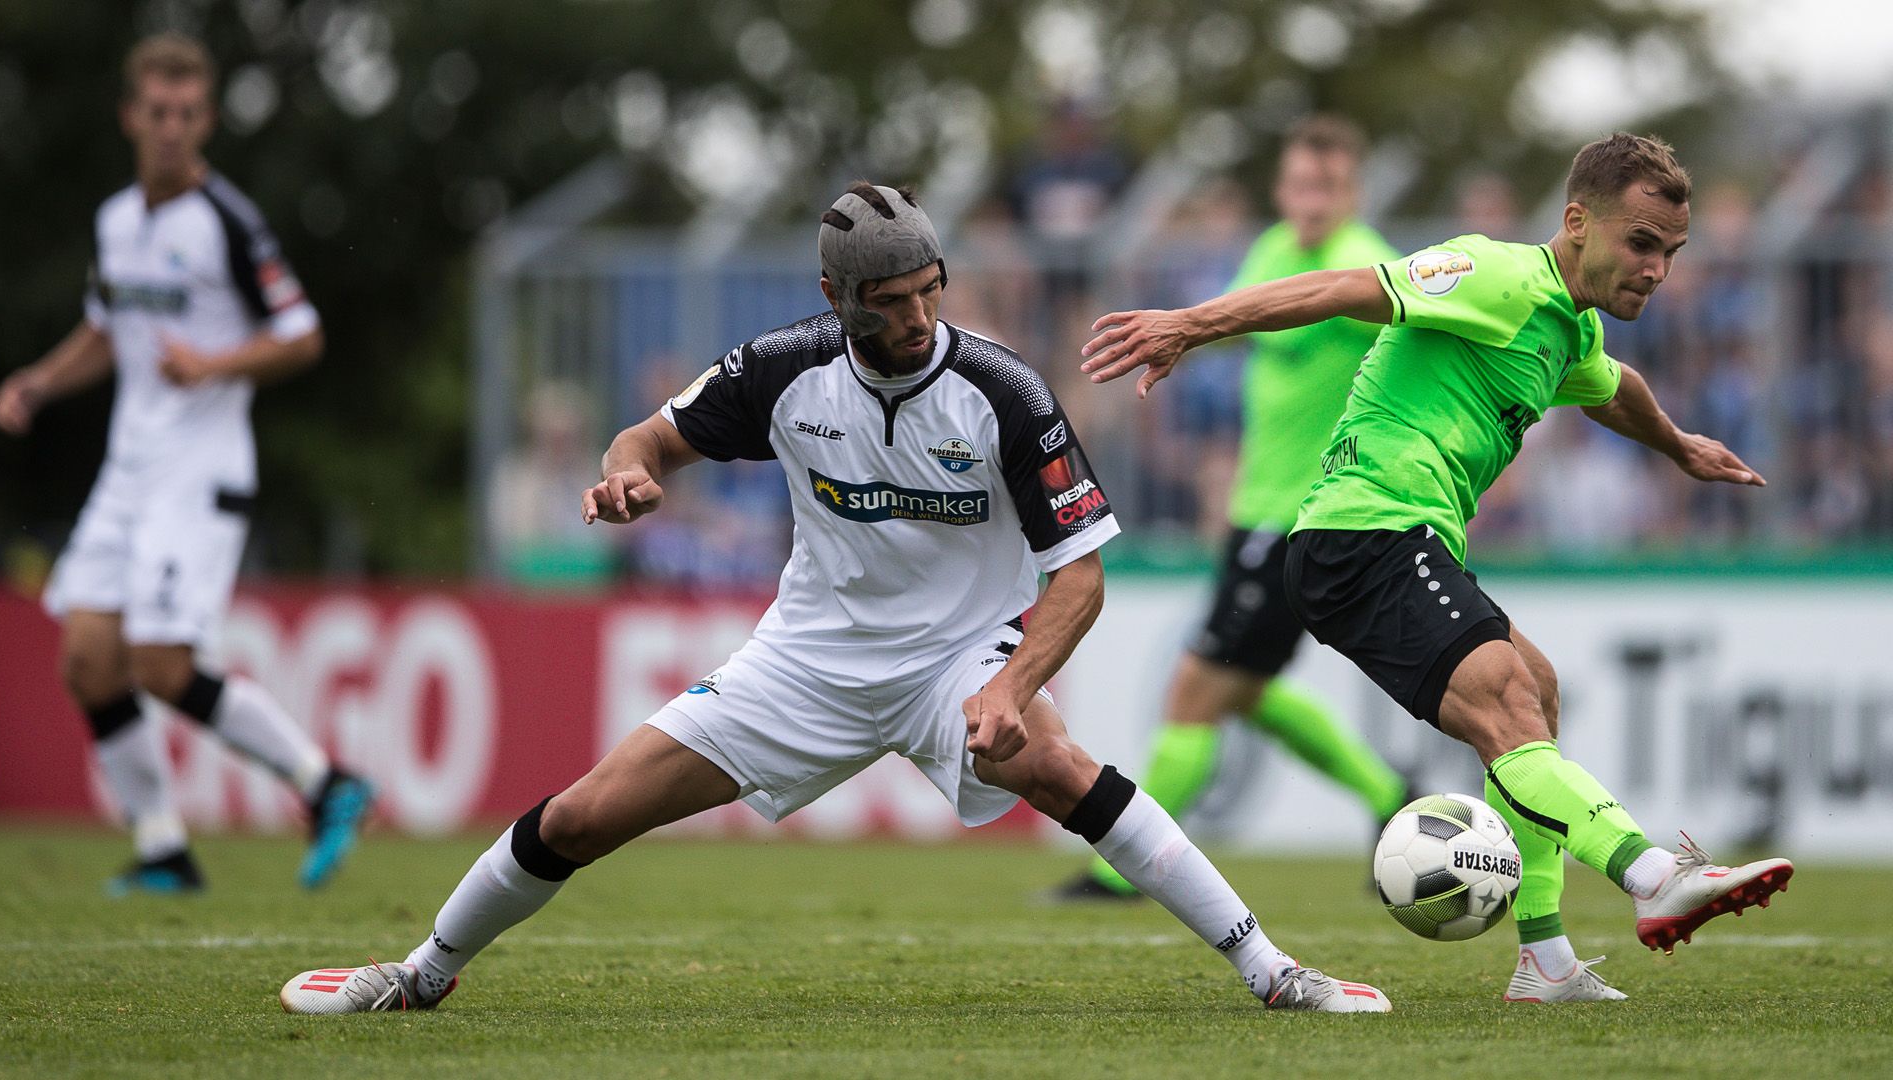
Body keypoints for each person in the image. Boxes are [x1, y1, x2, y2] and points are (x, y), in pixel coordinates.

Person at [279, 182, 1389, 1015]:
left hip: (956, 658)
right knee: (582, 815)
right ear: (834, 297)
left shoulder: (1002, 392)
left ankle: (1273, 972)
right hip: (803, 662)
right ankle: (419, 977)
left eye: (927, 293)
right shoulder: (777, 367)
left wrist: (1012, 682)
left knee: (1053, 763)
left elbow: (1080, 575)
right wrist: (628, 475)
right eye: (888, 302)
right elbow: (650, 439)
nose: (914, 320)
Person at [1079, 133, 1793, 1003]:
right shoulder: (1494, 275)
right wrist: (1193, 323)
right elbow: (1343, 290)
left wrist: (1679, 445)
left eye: (1671, 254)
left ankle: (1545, 961)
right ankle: (1651, 875)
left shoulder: (1569, 327)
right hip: (1360, 533)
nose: (1657, 269)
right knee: (1506, 701)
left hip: (1402, 540)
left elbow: (1612, 386)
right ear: (1577, 223)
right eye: (1641, 244)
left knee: (1535, 687)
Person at [0, 33, 372, 894]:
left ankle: (325, 783)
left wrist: (213, 366)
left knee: (159, 661)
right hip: (129, 471)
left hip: (200, 472)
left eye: (187, 113)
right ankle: (164, 847)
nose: (171, 128)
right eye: (157, 112)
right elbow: (106, 329)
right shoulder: (117, 222)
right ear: (131, 116)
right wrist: (38, 385)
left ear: (205, 120)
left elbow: (302, 333)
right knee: (87, 658)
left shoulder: (228, 223)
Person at [1056, 115, 1411, 901]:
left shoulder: (1363, 265)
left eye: (1328, 185)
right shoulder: (1273, 252)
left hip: (1307, 515)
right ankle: (1392, 797)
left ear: (1351, 192)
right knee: (1243, 692)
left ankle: (1123, 871)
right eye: (1300, 183)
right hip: (1256, 510)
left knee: (1196, 690)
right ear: (1283, 189)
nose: (1311, 198)